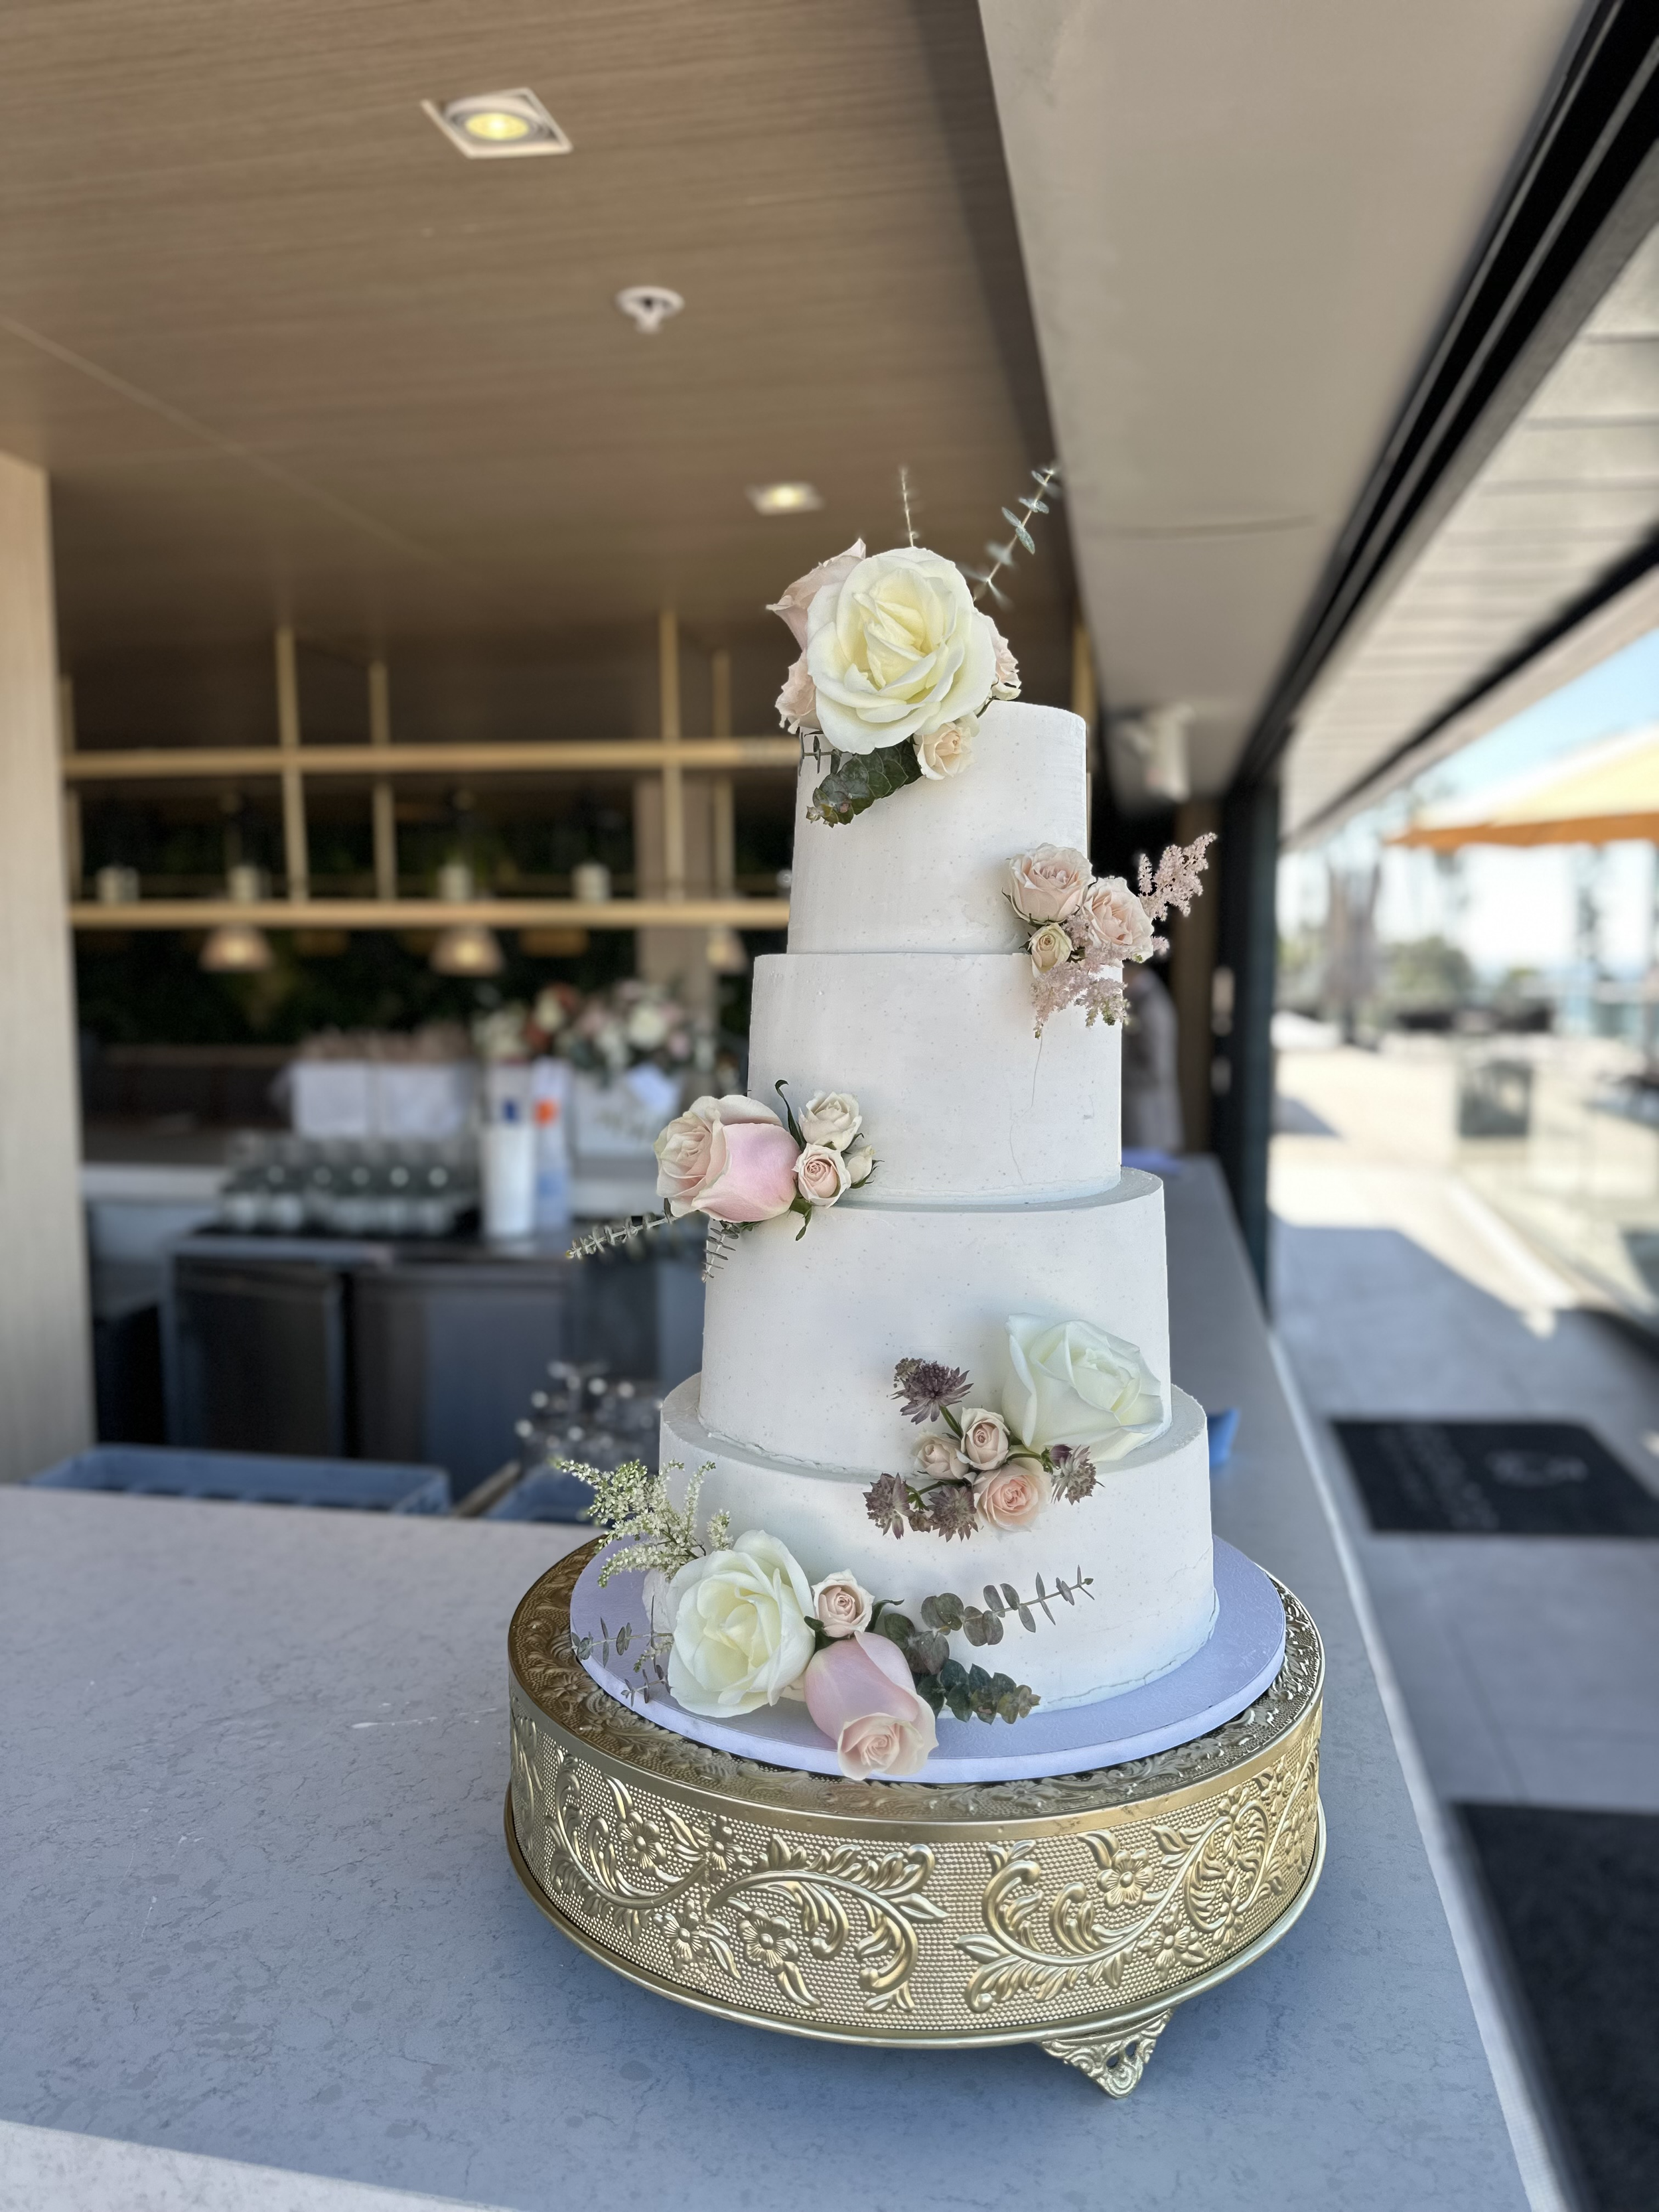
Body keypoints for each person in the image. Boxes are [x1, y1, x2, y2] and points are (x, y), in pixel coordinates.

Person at [1121, 961, 1183, 1154]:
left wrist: (1113, 1074)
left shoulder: (1151, 1005)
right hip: (1142, 1119)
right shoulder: (1143, 1000)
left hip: (1148, 1122)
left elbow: (1156, 1070)